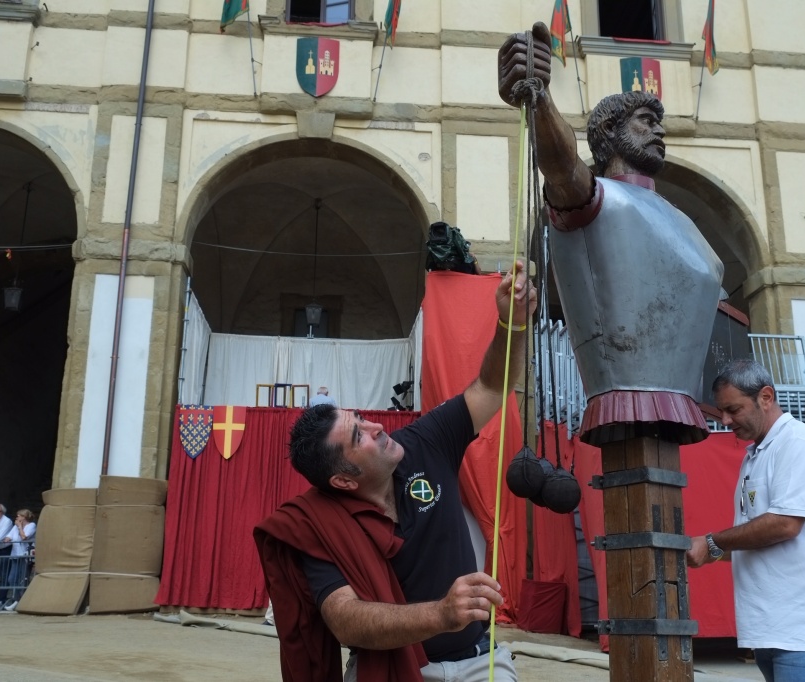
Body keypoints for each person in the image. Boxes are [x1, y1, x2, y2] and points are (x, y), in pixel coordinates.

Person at [256, 262, 536, 682]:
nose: (376, 426)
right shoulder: (319, 525)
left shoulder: (425, 442)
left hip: (479, 661)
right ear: (344, 480)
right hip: (386, 669)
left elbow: (491, 388)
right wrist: (441, 613)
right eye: (358, 435)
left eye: (361, 418)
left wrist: (510, 325)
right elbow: (347, 620)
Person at [497, 23, 723, 447]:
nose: (659, 132)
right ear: (606, 132)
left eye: (659, 123)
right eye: (645, 121)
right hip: (622, 393)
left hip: (679, 398)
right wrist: (540, 99)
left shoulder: (679, 217)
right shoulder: (597, 197)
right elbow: (563, 168)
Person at [686, 359, 805, 681]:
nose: (726, 420)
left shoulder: (798, 443)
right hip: (773, 628)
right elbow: (756, 540)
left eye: (734, 409)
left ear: (766, 396)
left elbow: (785, 524)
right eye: (721, 411)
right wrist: (704, 551)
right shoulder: (756, 454)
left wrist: (711, 543)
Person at [0, 508, 36, 611]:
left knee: (22, 578)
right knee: (12, 578)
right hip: (15, 555)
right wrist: (5, 539)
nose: (17, 517)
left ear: (24, 517)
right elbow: (9, 537)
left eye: (19, 516)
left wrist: (20, 527)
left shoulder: (31, 526)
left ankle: (20, 599)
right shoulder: (15, 527)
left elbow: (24, 537)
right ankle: (16, 598)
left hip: (25, 556)